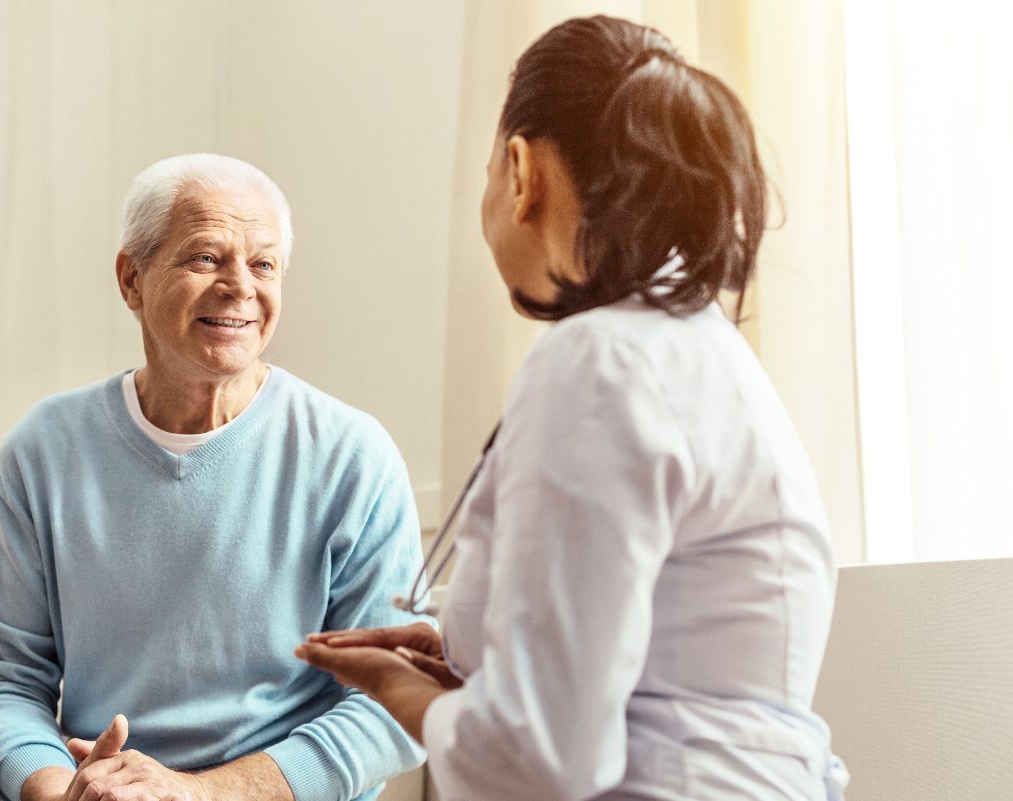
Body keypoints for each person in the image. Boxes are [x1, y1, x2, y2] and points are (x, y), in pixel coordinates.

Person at [296, 15, 849, 801]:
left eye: (489, 172)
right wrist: (472, 665)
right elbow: (646, 670)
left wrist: (399, 691)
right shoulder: (701, 352)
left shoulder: (597, 358)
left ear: (519, 172)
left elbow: (543, 758)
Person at [0, 154, 427, 801]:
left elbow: (396, 701)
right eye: (207, 258)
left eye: (263, 263)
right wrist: (59, 791)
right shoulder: (41, 451)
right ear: (132, 278)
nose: (240, 286)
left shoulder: (354, 456)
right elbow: (9, 680)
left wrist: (203, 792)